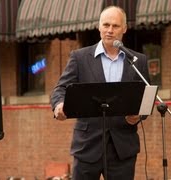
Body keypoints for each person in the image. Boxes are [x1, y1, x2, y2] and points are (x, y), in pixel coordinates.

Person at [50, 6, 150, 180]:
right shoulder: (79, 58)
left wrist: (140, 115)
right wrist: (59, 105)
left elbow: (147, 97)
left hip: (123, 147)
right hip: (87, 146)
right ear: (99, 27)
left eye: (115, 26)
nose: (110, 30)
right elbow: (60, 89)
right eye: (106, 25)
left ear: (125, 29)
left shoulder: (138, 61)